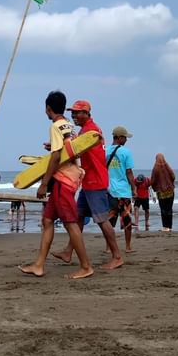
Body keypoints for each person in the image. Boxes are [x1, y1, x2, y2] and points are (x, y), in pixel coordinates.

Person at [19, 91, 93, 279]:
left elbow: (56, 157)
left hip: (63, 181)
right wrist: (52, 148)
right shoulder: (69, 126)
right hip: (70, 178)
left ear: (48, 108)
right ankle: (38, 265)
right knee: (47, 221)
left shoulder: (55, 126)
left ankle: (86, 266)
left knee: (70, 224)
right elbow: (70, 150)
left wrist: (44, 184)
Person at [51, 100, 123, 270]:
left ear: (86, 114)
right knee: (79, 216)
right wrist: (54, 147)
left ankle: (117, 256)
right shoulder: (87, 129)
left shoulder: (90, 131)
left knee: (102, 220)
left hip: (95, 181)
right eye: (72, 113)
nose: (73, 116)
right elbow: (75, 146)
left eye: (77, 113)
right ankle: (68, 251)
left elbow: (74, 150)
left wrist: (56, 151)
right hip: (89, 180)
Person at [106, 126, 137, 253]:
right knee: (126, 220)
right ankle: (128, 247)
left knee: (109, 222)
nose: (126, 140)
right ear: (119, 138)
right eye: (125, 138)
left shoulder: (105, 151)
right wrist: (134, 188)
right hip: (123, 191)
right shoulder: (126, 152)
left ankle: (108, 247)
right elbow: (129, 172)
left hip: (109, 191)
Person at [150, 154, 175, 232]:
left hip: (161, 193)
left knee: (163, 210)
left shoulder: (155, 168)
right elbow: (173, 176)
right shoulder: (168, 167)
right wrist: (170, 183)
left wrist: (154, 187)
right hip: (170, 192)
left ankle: (165, 227)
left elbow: (152, 181)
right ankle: (170, 227)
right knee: (169, 209)